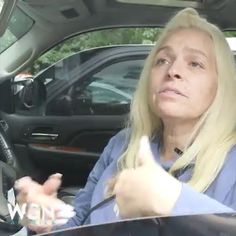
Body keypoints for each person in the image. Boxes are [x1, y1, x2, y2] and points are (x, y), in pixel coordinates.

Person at [15, 7, 236, 234]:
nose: (173, 70)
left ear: (221, 85)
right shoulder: (122, 143)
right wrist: (47, 221)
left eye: (195, 63)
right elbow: (80, 223)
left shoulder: (231, 162)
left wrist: (174, 202)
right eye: (162, 60)